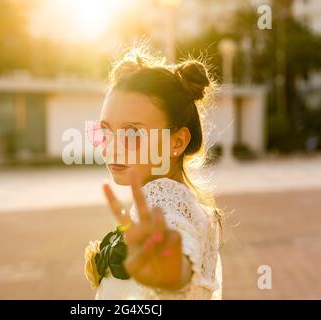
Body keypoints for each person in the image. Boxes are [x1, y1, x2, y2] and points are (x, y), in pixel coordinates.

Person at [84, 47, 223, 300]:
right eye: (105, 131)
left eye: (133, 134)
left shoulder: (167, 206)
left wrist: (173, 274)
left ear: (177, 142)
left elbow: (179, 248)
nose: (112, 147)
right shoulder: (169, 202)